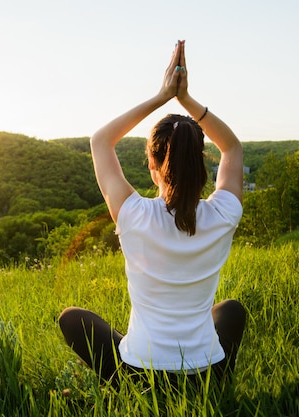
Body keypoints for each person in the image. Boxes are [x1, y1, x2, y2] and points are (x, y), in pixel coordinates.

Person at [58, 40, 247, 389]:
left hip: (140, 375)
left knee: (72, 319)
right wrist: (187, 100)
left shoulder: (133, 215)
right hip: (204, 375)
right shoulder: (223, 214)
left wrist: (163, 96)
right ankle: (215, 384)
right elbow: (232, 147)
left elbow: (100, 140)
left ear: (152, 165)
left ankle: (131, 388)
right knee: (231, 310)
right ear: (202, 166)